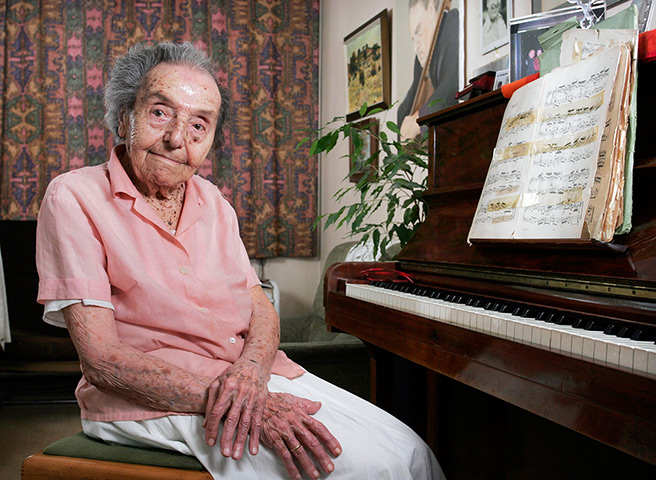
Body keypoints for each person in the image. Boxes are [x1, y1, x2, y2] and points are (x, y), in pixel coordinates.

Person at [35, 42, 445, 480]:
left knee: (412, 451)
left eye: (199, 124)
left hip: (248, 378)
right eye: (160, 113)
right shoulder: (74, 196)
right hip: (154, 398)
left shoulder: (214, 202)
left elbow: (260, 309)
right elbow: (102, 359)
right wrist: (247, 401)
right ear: (124, 117)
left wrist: (250, 374)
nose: (177, 138)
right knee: (366, 470)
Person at [398, 0, 460, 140]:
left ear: (432, 10)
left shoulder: (452, 23)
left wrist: (417, 121)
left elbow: (452, 86)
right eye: (413, 39)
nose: (416, 46)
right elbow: (411, 99)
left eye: (419, 32)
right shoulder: (421, 59)